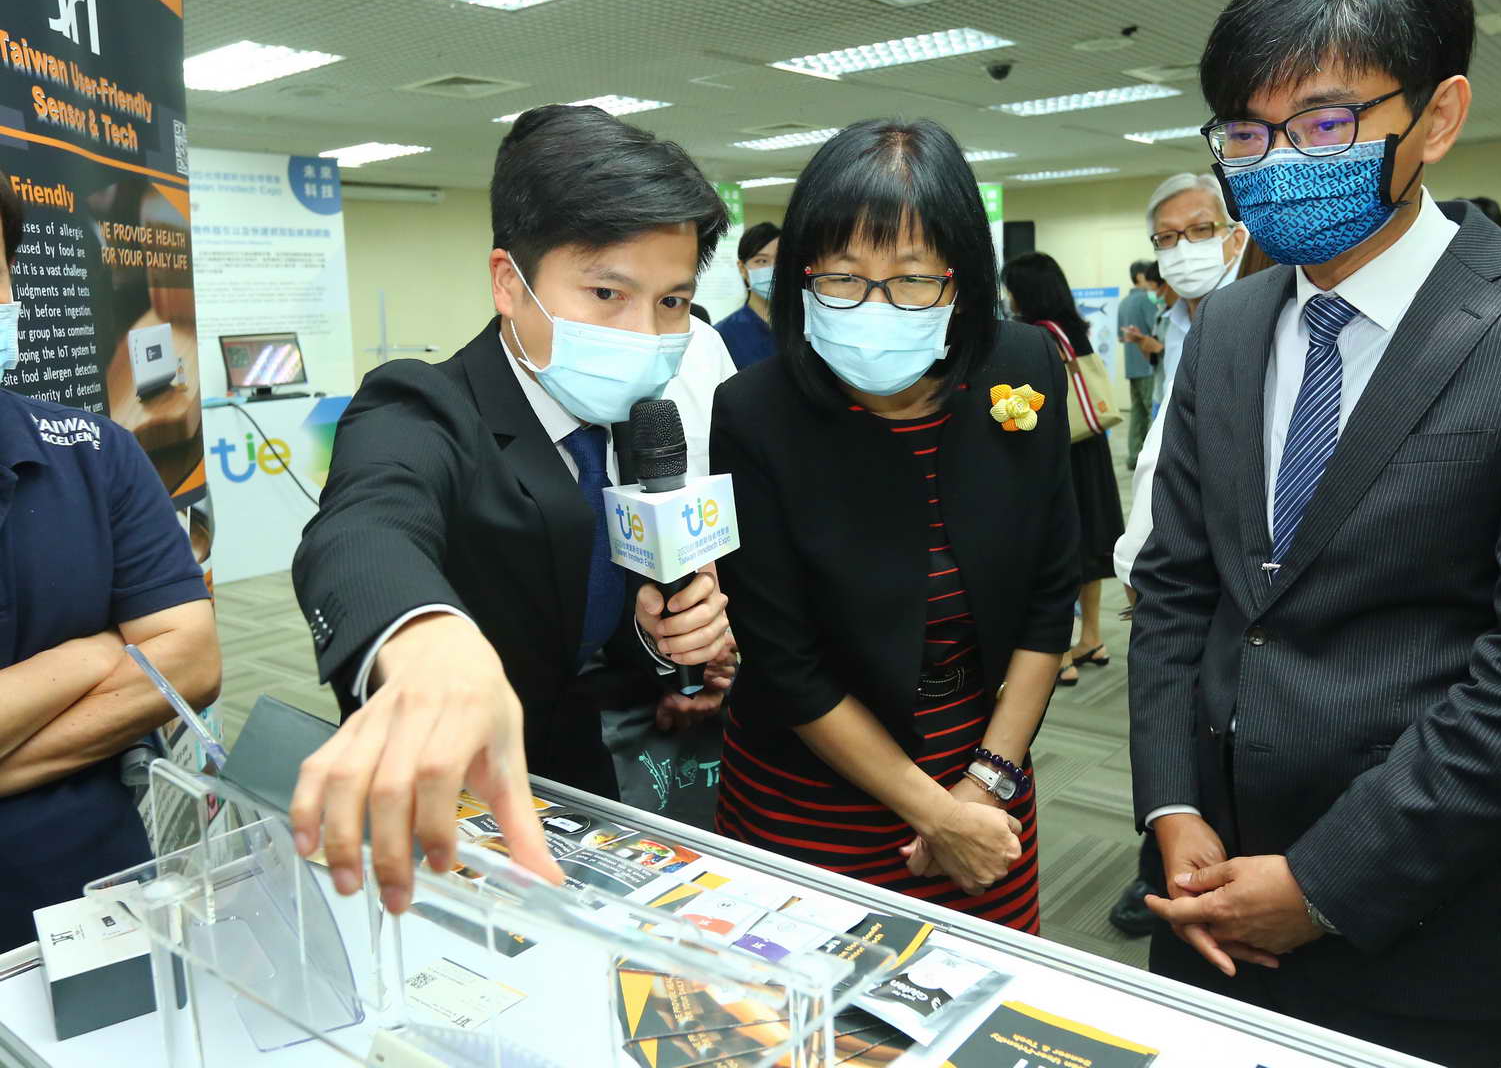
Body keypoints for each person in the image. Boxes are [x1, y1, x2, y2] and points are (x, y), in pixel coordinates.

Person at [1128, 0, 1501, 1068]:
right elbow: (1179, 584)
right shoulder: (1230, 327)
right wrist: (1166, 807)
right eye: (1244, 132)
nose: (1276, 162)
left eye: (1325, 124)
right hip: (1202, 891)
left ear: (1436, 118)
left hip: (1419, 922)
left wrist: (1324, 881)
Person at [290, 105, 737, 914]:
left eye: (672, 303)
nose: (643, 334)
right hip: (442, 817)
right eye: (607, 293)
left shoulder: (637, 425)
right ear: (508, 282)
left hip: (586, 798)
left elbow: (584, 607)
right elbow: (362, 527)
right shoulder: (423, 405)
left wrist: (659, 632)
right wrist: (426, 640)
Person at [710, 119, 1079, 931]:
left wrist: (983, 785)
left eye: (912, 279)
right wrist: (933, 813)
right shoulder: (753, 413)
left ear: (962, 281)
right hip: (811, 790)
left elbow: (1048, 599)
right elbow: (783, 659)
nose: (874, 306)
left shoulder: (1020, 367)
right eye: (841, 277)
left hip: (983, 777)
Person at [0, 173, 220, 948]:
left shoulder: (94, 455)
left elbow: (190, 661)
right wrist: (102, 648)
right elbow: (157, 650)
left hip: (91, 901)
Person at [1107, 237, 1278, 940]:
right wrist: (1170, 806)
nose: (1180, 253)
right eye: (1165, 239)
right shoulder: (1218, 338)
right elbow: (1167, 579)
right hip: (1203, 690)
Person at [1003, 252, 1126, 686]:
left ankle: (1059, 654)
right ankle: (1092, 638)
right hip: (1090, 449)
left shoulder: (1033, 337)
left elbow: (1024, 407)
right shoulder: (1074, 330)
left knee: (1060, 553)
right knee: (1091, 546)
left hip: (1058, 453)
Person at [1147, 173, 1248, 412]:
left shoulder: (1262, 313)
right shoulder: (1177, 322)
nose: (1183, 247)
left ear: (1236, 240)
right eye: (1167, 236)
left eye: (1201, 229)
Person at [715, 222, 780, 369]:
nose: (774, 270)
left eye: (781, 260)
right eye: (762, 261)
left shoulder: (806, 326)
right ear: (743, 269)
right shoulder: (722, 335)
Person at [1118, 260, 1163, 467]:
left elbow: (1121, 336)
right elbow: (1155, 330)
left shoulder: (1124, 302)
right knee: (1150, 412)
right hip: (1147, 365)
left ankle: (1133, 455)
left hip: (1131, 366)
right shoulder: (1146, 300)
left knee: (1137, 412)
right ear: (1139, 277)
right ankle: (1148, 457)